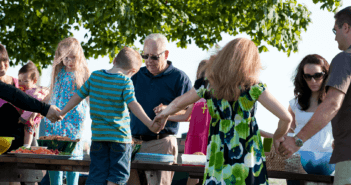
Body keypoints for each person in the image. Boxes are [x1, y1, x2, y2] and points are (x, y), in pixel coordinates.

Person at [154, 38, 292, 184]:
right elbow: (286, 117)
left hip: (218, 156)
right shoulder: (253, 87)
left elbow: (177, 103)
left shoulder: (208, 86)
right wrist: (278, 136)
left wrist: (163, 114)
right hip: (247, 159)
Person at [59, 47, 161, 185]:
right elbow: (133, 104)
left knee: (97, 173)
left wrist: (62, 111)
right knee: (118, 175)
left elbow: (78, 96)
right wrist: (149, 123)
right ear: (132, 72)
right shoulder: (125, 81)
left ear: (114, 61)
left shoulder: (95, 76)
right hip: (120, 139)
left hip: (98, 137)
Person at [278, 6, 351, 185]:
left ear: (346, 28)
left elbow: (332, 104)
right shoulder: (295, 103)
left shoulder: (344, 59)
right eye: (307, 76)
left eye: (336, 30)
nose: (335, 37)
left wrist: (298, 140)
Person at [127, 33, 192, 185]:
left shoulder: (180, 78)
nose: (149, 61)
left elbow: (188, 113)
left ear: (166, 54)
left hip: (162, 144)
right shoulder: (135, 76)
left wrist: (168, 110)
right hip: (133, 144)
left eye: (154, 57)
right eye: (145, 56)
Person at [154, 59, 210, 185]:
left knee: (209, 171)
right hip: (194, 138)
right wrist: (166, 116)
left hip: (209, 138)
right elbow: (186, 116)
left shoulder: (218, 95)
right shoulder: (195, 94)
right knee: (192, 171)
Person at [43, 37, 90, 185]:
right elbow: (52, 93)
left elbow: (90, 96)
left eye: (73, 58)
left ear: (79, 57)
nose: (69, 61)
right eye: (65, 58)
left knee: (71, 158)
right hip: (55, 122)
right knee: (54, 157)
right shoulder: (59, 73)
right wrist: (38, 107)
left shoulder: (82, 74)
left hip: (72, 122)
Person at [18, 61, 49, 148]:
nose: (22, 83)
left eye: (26, 81)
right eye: (19, 80)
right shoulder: (24, 90)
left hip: (32, 115)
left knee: (28, 128)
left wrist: (23, 118)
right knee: (30, 132)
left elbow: (33, 107)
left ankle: (26, 146)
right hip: (28, 114)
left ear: (34, 81)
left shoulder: (33, 92)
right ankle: (32, 145)